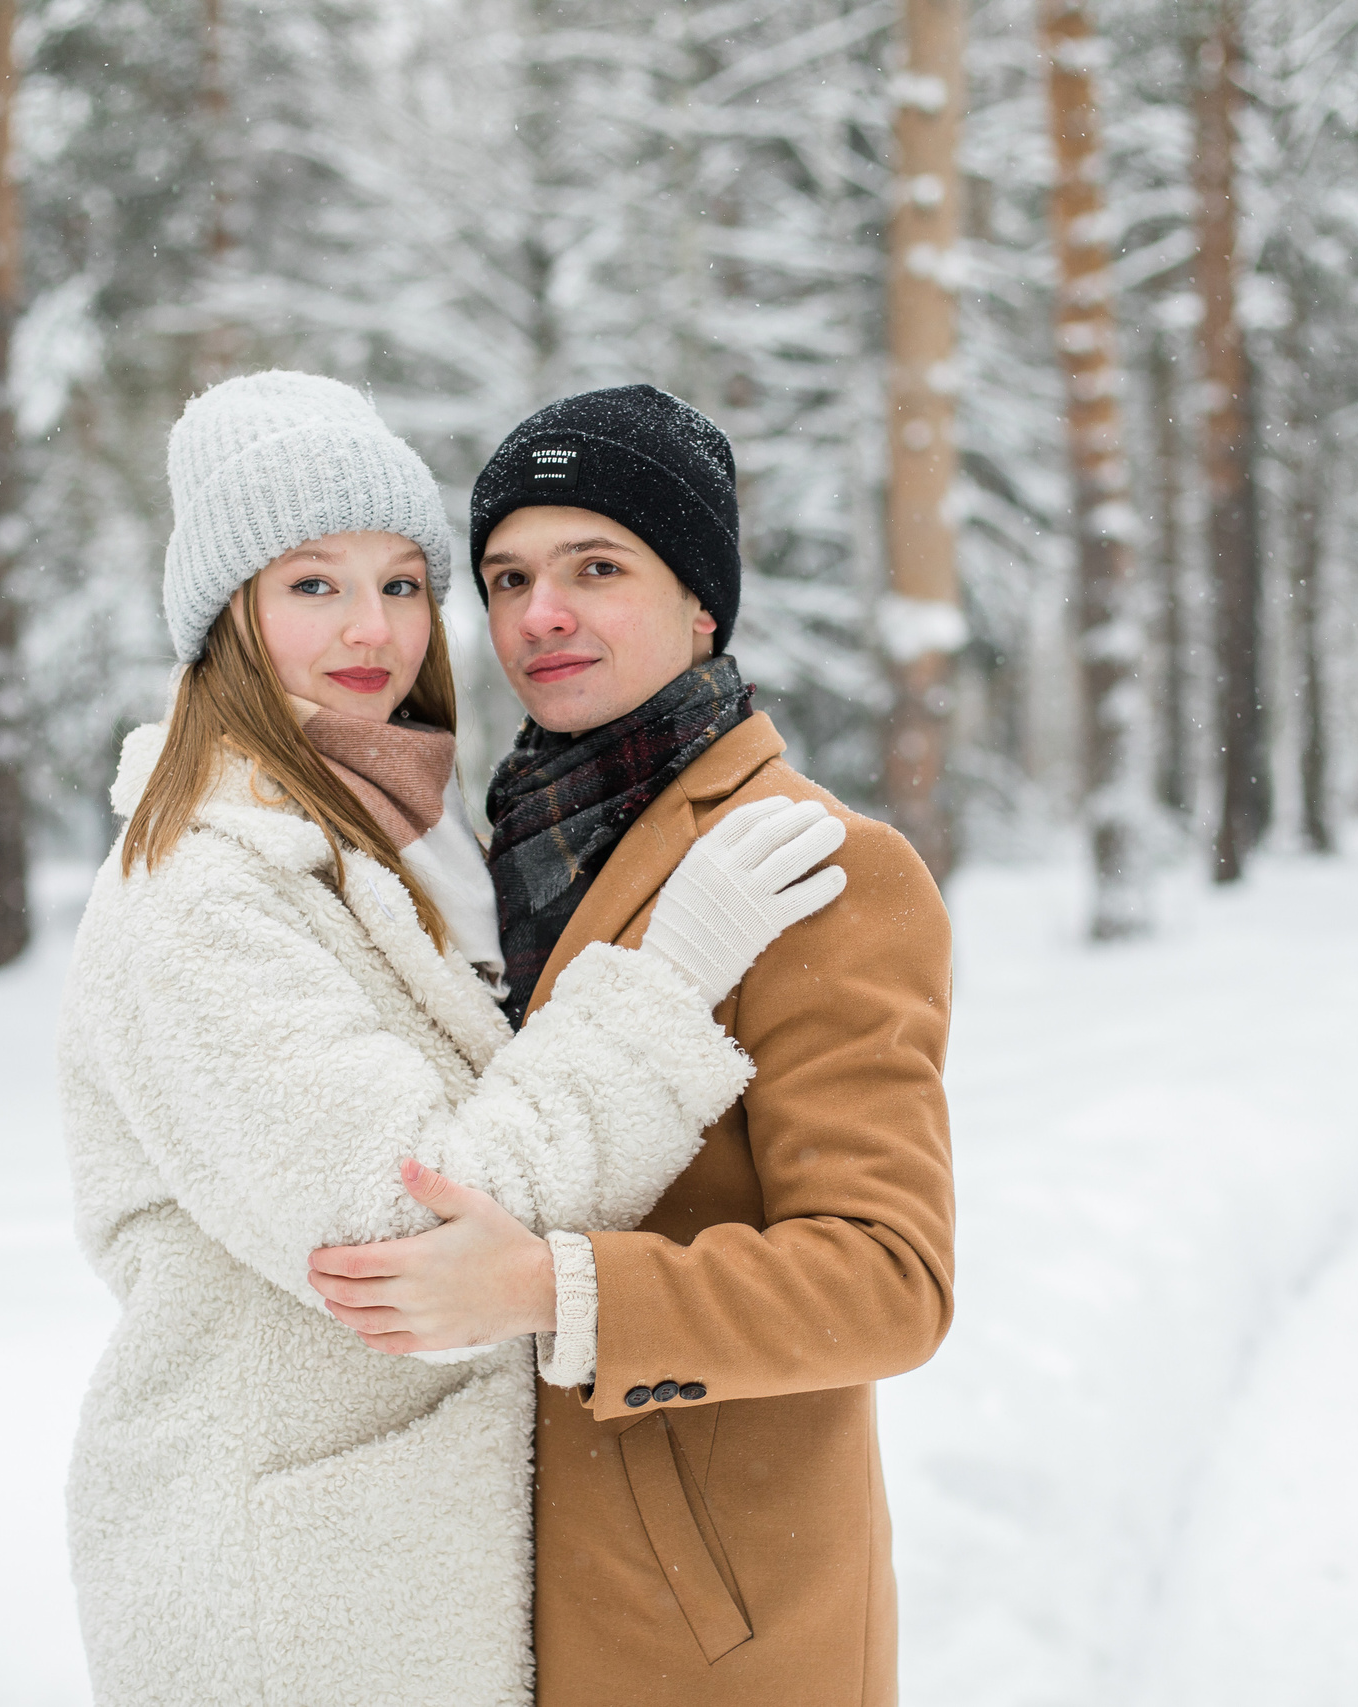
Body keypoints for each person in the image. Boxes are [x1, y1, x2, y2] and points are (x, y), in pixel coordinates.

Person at [55, 371, 850, 1707]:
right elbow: (410, 1240)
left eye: (405, 581)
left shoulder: (382, 849)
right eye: (312, 585)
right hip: (297, 1607)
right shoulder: (198, 891)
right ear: (224, 619)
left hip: (395, 1580)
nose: (374, 629)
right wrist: (665, 984)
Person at [306, 384, 957, 1706]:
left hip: (713, 1625)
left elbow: (893, 1282)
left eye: (597, 567)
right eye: (508, 576)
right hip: (492, 1607)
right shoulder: (497, 864)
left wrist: (560, 1291)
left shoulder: (815, 867)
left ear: (701, 603)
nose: (541, 614)